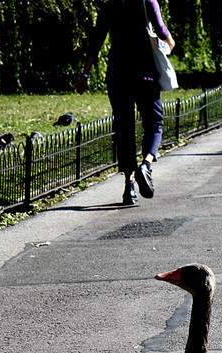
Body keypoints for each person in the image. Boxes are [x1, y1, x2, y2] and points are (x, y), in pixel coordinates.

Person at [77, 0, 175, 205]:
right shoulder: (147, 2)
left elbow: (96, 41)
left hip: (118, 76)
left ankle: (129, 187)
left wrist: (85, 74)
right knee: (154, 123)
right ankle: (146, 165)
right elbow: (163, 33)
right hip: (145, 75)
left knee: (124, 128)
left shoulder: (109, 6)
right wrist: (168, 43)